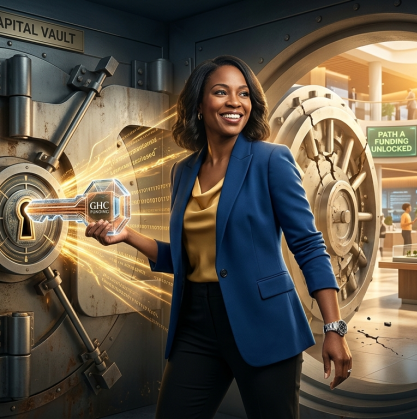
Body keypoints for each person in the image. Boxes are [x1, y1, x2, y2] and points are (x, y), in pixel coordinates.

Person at [86, 56, 352, 419]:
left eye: (243, 94)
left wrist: (334, 328)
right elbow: (184, 258)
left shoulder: (272, 160)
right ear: (199, 104)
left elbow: (308, 245)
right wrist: (126, 235)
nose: (234, 102)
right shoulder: (183, 171)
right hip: (195, 323)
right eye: (220, 92)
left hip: (264, 322)